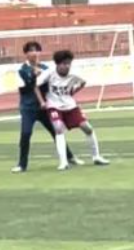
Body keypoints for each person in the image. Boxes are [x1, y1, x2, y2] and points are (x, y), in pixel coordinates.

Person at [38, 50, 109, 171]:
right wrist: (42, 101)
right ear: (57, 64)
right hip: (54, 106)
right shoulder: (49, 73)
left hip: (70, 106)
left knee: (88, 128)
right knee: (58, 129)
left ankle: (96, 157)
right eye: (64, 63)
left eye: (69, 63)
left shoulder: (74, 74)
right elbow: (36, 85)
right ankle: (63, 162)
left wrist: (73, 92)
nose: (67, 66)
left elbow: (83, 83)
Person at [13, 41, 75, 173]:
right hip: (28, 108)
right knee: (26, 133)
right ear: (26, 54)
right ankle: (22, 164)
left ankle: (69, 157)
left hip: (44, 107)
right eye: (31, 50)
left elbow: (50, 85)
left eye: (36, 50)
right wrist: (34, 76)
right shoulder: (22, 70)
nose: (34, 53)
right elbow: (25, 87)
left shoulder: (45, 68)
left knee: (56, 130)